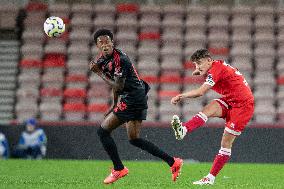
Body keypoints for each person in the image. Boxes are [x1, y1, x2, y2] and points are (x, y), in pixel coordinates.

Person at [89, 29, 183, 184]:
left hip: (133, 98)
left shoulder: (121, 59)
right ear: (97, 45)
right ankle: (173, 162)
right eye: (101, 42)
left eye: (107, 41)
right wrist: (114, 105)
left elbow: (118, 86)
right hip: (136, 97)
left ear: (113, 42)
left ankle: (119, 169)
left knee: (103, 132)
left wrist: (99, 73)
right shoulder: (102, 60)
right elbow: (115, 85)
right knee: (134, 139)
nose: (105, 45)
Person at [170, 49, 254, 185]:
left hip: (243, 107)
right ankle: (183, 130)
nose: (197, 67)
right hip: (231, 101)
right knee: (209, 108)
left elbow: (200, 92)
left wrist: (181, 95)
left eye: (199, 63)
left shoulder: (215, 70)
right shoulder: (215, 67)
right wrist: (200, 70)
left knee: (225, 143)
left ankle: (210, 178)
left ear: (209, 60)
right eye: (195, 65)